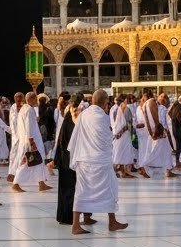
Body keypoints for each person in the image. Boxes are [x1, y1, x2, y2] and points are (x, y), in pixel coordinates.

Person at [68, 90, 126, 234]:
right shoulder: (102, 116)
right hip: (99, 160)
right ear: (105, 102)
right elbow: (107, 139)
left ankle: (78, 224)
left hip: (84, 160)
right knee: (111, 189)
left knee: (81, 191)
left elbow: (76, 136)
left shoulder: (83, 114)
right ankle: (111, 222)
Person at [10, 92, 53, 192]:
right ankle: (15, 184)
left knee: (38, 161)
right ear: (32, 99)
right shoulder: (29, 110)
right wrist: (31, 143)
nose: (36, 101)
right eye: (35, 99)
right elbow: (28, 128)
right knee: (27, 163)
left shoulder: (24, 109)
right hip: (31, 141)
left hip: (30, 140)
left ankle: (41, 183)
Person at [53, 95, 79, 224]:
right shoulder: (70, 122)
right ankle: (67, 217)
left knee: (68, 188)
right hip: (67, 161)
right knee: (68, 189)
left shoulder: (69, 119)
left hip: (66, 160)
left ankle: (66, 216)